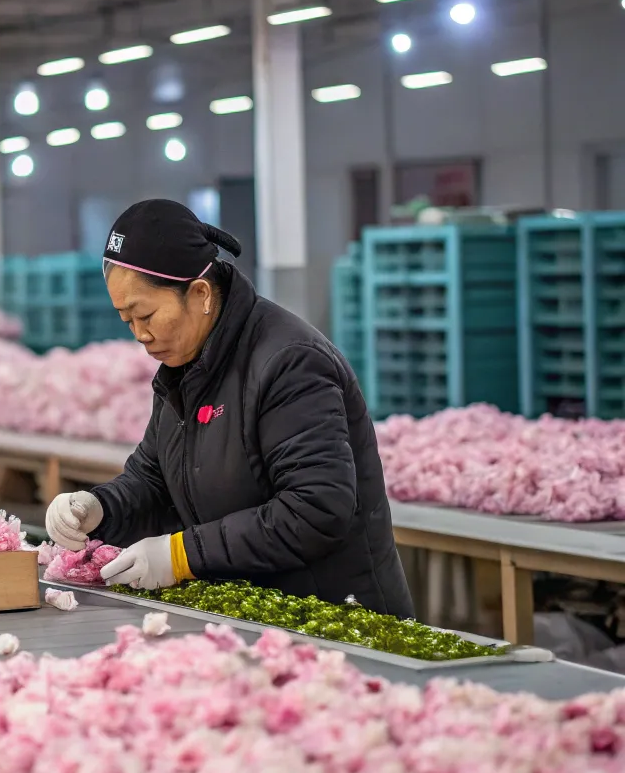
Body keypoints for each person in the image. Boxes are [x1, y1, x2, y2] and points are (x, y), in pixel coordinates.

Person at [45, 199, 413, 617]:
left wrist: (181, 555)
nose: (140, 335)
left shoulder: (289, 362)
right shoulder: (183, 365)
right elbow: (153, 478)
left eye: (145, 314)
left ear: (200, 294)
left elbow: (315, 509)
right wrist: (99, 508)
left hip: (335, 619)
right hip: (256, 614)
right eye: (126, 319)